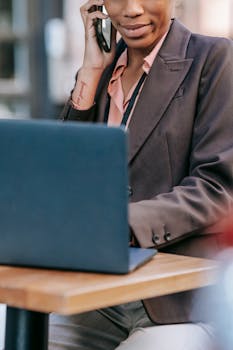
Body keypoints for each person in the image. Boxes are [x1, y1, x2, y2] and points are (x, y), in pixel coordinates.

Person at [49, 0, 233, 349]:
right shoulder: (101, 73)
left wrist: (121, 224)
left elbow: (217, 186)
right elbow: (65, 181)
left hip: (180, 303)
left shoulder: (214, 59)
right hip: (99, 297)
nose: (132, 10)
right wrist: (90, 72)